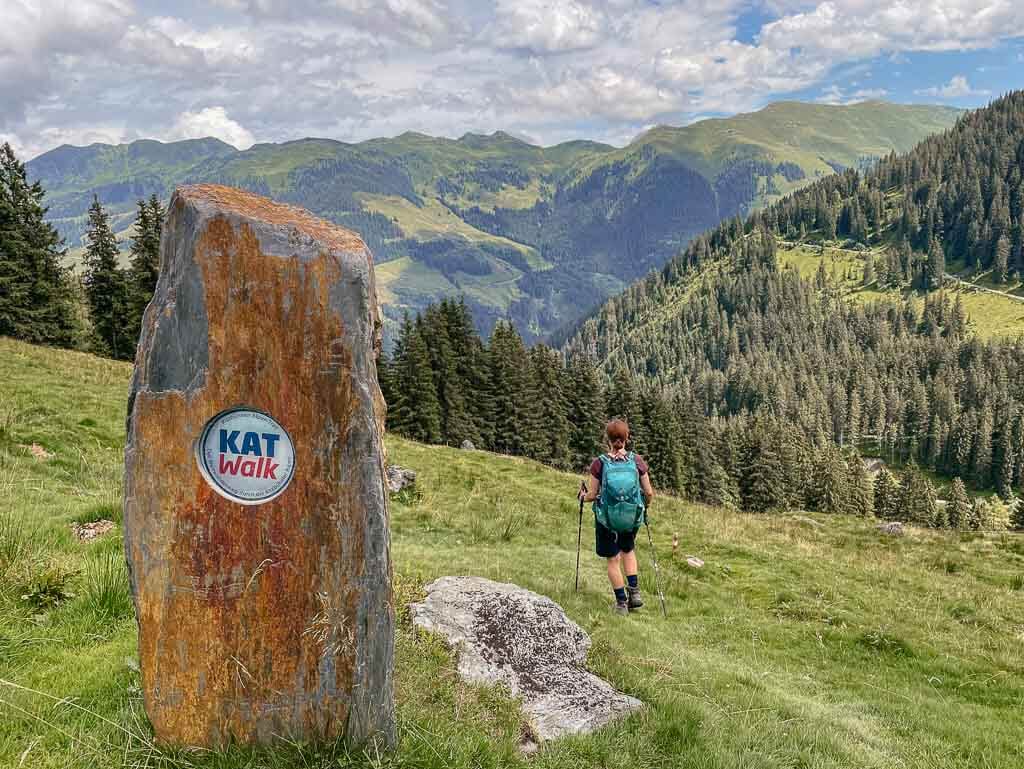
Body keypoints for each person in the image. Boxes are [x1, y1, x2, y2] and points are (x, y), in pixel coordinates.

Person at [578, 419, 654, 615]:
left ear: (608, 439)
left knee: (613, 559)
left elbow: (592, 495)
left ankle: (621, 603)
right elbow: (649, 492)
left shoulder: (599, 463)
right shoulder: (636, 461)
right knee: (628, 551)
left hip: (607, 519)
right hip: (630, 517)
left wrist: (582, 496)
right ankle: (634, 594)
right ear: (627, 437)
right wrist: (644, 506)